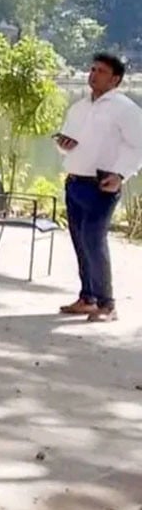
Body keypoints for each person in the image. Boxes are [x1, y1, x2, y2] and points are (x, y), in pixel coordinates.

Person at [54, 53, 142, 323]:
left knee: (94, 238)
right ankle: (88, 297)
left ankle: (108, 303)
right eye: (92, 69)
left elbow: (139, 144)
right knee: (80, 241)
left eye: (101, 71)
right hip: (75, 181)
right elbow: (66, 141)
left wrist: (122, 174)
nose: (93, 74)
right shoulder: (79, 107)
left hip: (102, 183)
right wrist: (62, 144)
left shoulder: (124, 108)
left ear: (115, 79)